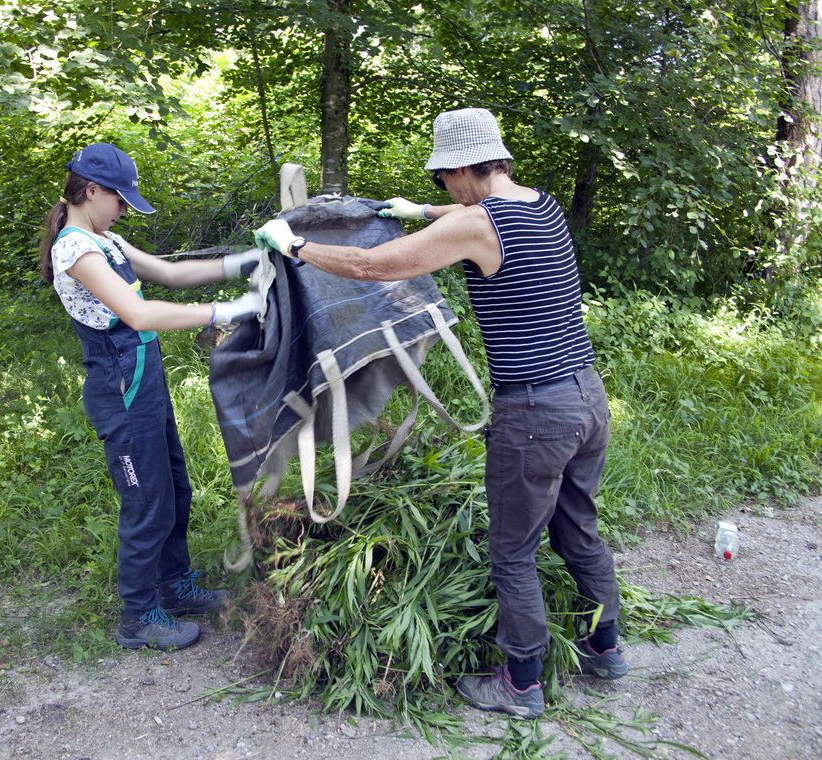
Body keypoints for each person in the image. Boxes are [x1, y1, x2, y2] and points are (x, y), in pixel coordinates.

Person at [253, 108, 626, 719]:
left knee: (513, 551)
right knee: (577, 528)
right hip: (586, 398)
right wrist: (420, 210)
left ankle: (521, 683)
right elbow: (468, 216)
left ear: (464, 169)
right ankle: (605, 647)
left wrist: (295, 245)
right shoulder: (541, 204)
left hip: (535, 412)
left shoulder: (479, 223)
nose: (444, 190)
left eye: (442, 180)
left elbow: (375, 266)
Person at [40, 142, 263, 651]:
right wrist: (224, 312)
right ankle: (138, 617)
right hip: (119, 384)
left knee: (175, 488)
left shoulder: (106, 240)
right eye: (120, 200)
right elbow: (139, 314)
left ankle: (174, 587)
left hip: (144, 378)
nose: (123, 210)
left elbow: (170, 273)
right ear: (91, 191)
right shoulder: (75, 250)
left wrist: (247, 261)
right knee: (146, 500)